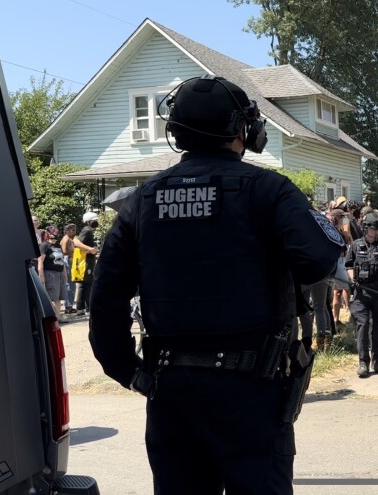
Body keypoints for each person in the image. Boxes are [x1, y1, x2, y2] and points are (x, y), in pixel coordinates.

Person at [88, 75, 344, 494]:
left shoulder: (141, 201)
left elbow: (105, 302)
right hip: (251, 392)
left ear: (176, 130)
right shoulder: (269, 190)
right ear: (240, 129)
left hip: (171, 392)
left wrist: (132, 374)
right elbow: (319, 259)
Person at [345, 211, 378, 377]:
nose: (376, 232)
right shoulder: (355, 246)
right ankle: (363, 362)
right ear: (366, 228)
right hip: (361, 292)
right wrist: (352, 280)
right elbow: (349, 265)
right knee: (363, 325)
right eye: (373, 228)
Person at [74, 211, 101, 316]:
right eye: (95, 220)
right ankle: (83, 308)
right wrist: (90, 249)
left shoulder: (89, 230)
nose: (96, 222)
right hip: (85, 261)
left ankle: (85, 307)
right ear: (89, 221)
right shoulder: (87, 230)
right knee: (85, 284)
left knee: (86, 283)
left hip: (88, 260)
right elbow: (76, 243)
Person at [37, 225, 67, 318]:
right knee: (53, 298)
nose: (56, 234)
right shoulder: (44, 245)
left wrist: (65, 274)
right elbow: (40, 261)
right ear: (48, 233)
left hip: (59, 273)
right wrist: (41, 276)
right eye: (54, 232)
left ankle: (57, 318)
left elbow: (62, 261)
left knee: (58, 298)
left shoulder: (58, 245)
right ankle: (53, 319)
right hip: (50, 273)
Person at [59, 223, 79, 314]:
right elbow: (63, 252)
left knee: (72, 284)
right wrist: (74, 250)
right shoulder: (66, 239)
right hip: (67, 262)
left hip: (71, 261)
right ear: (68, 231)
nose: (74, 231)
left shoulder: (70, 239)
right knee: (70, 284)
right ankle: (68, 306)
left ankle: (69, 305)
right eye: (73, 230)